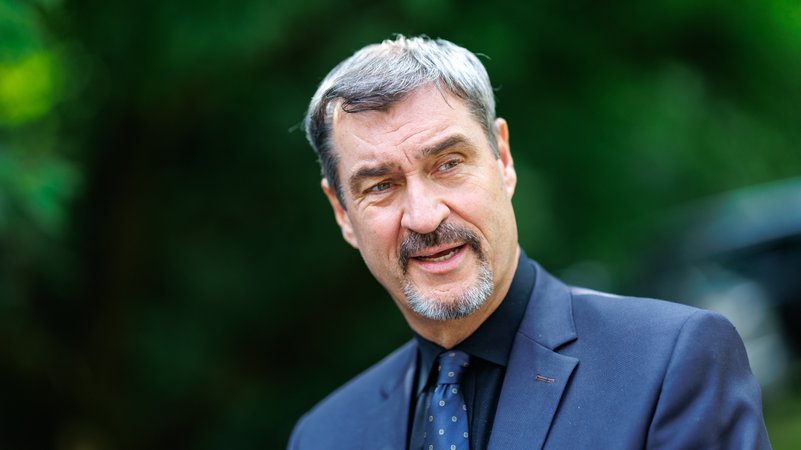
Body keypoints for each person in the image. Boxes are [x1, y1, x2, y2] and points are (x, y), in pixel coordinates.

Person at [288, 35, 771, 450]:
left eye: (448, 164)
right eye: (381, 186)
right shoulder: (325, 436)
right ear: (342, 213)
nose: (424, 215)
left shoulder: (669, 364)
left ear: (503, 158)